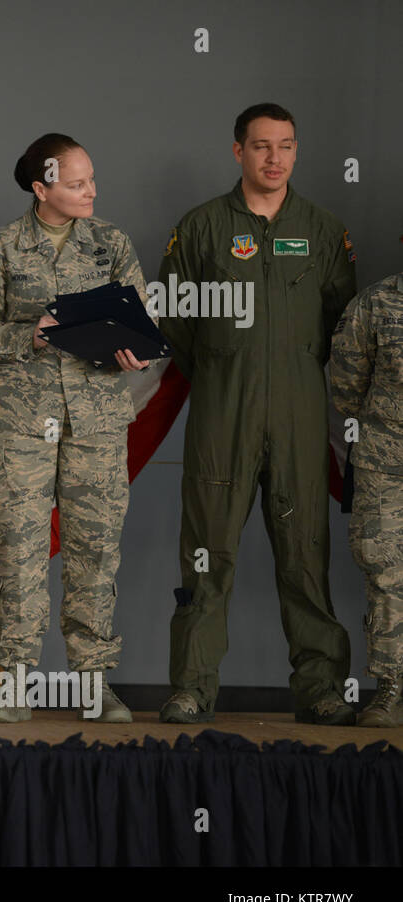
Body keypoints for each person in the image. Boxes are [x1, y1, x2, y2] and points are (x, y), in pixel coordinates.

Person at [157, 103, 357, 725]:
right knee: (206, 553)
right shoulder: (202, 229)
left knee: (305, 553)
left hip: (298, 414)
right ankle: (191, 687)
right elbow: (175, 321)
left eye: (287, 146)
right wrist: (227, 369)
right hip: (223, 413)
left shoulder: (323, 230)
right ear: (238, 150)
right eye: (262, 146)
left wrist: (289, 371)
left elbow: (343, 328)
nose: (275, 159)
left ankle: (322, 688)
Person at [0, 133, 150, 724]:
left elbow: (141, 320)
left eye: (91, 179)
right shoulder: (2, 249)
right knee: (19, 551)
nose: (90, 191)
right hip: (22, 423)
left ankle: (93, 683)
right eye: (76, 182)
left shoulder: (111, 244)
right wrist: (28, 334)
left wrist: (135, 350)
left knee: (96, 551)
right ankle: (13, 680)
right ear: (41, 189)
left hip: (96, 421)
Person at [330, 269, 403, 727]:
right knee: (384, 570)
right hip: (384, 458)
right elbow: (346, 384)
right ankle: (390, 687)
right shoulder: (376, 302)